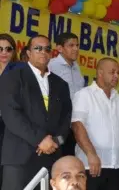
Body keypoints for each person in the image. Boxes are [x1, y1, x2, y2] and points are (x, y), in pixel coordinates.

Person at [0, 35, 72, 190]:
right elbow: (11, 114)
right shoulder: (12, 77)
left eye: (47, 49)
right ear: (28, 52)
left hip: (50, 158)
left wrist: (55, 142)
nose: (43, 52)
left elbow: (66, 121)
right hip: (19, 158)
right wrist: (40, 139)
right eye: (38, 48)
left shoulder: (61, 85)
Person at [71, 57, 119, 190]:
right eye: (112, 72)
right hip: (91, 166)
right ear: (100, 73)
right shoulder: (84, 95)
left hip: (116, 167)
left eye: (118, 72)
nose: (116, 76)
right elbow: (77, 126)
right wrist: (91, 154)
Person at [48, 32, 85, 156]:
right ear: (59, 48)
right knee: (55, 156)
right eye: (71, 45)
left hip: (74, 124)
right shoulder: (51, 65)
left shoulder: (77, 68)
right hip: (58, 123)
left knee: (69, 158)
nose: (76, 49)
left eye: (77, 45)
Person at [0, 33, 26, 187]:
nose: (4, 52)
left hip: (11, 124)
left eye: (8, 49)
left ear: (14, 51)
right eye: (0, 49)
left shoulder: (21, 69)